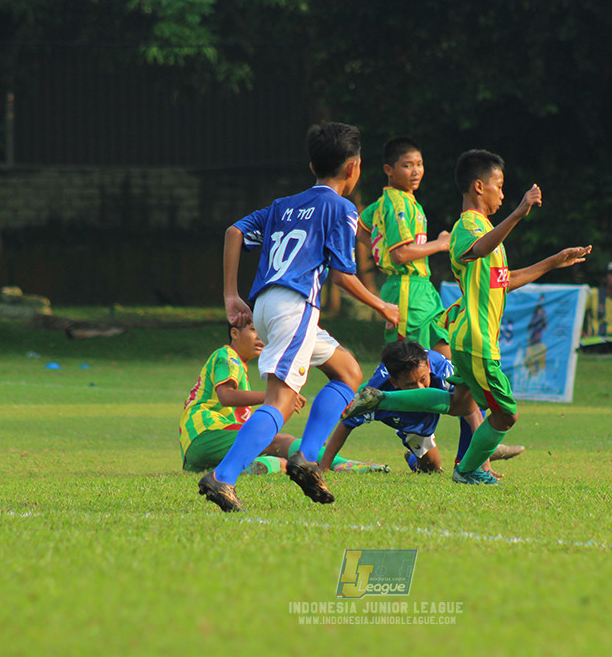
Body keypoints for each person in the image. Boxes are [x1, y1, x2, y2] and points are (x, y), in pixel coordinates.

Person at [344, 149, 591, 485]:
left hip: (468, 335)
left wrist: (553, 261)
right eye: (499, 186)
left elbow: (505, 281)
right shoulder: (468, 226)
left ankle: (381, 398)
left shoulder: (485, 229)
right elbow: (476, 249)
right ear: (478, 186)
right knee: (506, 414)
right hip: (476, 338)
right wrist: (519, 212)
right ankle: (470, 470)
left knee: (459, 403)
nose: (502, 194)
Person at [198, 122, 399, 512]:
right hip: (295, 307)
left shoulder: (282, 206)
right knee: (281, 402)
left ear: (312, 165)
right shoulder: (341, 208)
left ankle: (307, 458)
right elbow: (342, 275)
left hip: (270, 304)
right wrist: (382, 305)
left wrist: (229, 294)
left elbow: (234, 232)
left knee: (348, 372)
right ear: (354, 169)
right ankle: (222, 477)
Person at [180, 320, 389, 476]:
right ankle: (338, 463)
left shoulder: (237, 364)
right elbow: (226, 396)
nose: (261, 337)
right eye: (254, 330)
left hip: (195, 450)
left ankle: (260, 467)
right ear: (234, 333)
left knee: (277, 460)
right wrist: (273, 397)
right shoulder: (227, 356)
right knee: (278, 440)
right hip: (208, 431)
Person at [319, 339, 523, 476]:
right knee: (433, 469)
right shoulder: (376, 391)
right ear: (394, 382)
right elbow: (347, 423)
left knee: (473, 400)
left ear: (427, 365)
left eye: (423, 379)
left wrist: (482, 464)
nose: (420, 388)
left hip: (443, 402)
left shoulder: (443, 369)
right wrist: (324, 469)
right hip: (408, 417)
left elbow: (470, 411)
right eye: (410, 385)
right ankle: (415, 459)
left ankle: (468, 461)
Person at [359, 136, 451, 354]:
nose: (416, 171)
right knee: (408, 364)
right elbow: (401, 254)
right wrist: (439, 244)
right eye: (407, 166)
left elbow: (361, 228)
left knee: (446, 360)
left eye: (419, 164)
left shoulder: (400, 201)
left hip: (422, 290)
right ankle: (373, 390)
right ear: (389, 170)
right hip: (406, 291)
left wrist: (378, 248)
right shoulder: (396, 203)